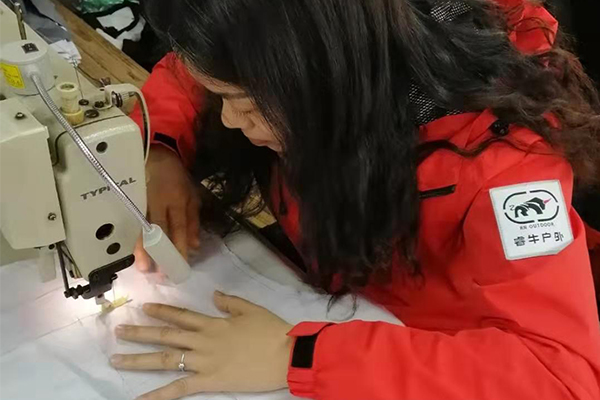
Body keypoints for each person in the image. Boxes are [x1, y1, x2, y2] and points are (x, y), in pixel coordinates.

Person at [109, 1, 600, 399]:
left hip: (432, 354)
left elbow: (559, 376)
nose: (230, 121)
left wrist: (300, 357)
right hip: (334, 289)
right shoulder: (305, 53)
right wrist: (159, 149)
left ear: (328, 77)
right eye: (222, 98)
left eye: (246, 105)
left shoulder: (510, 167)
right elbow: (197, 68)